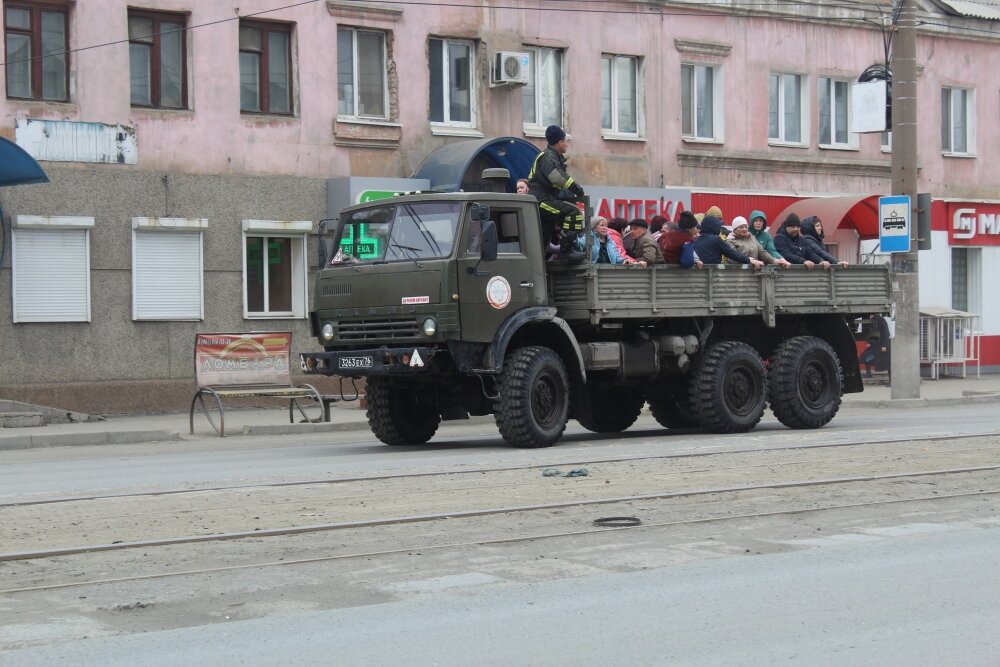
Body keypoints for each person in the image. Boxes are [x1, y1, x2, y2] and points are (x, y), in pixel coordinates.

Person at [528, 125, 585, 262]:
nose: (566, 144)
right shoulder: (548, 157)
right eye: (565, 141)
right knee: (574, 213)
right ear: (560, 142)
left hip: (544, 199)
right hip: (541, 201)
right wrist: (576, 189)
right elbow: (557, 177)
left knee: (545, 235)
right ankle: (567, 250)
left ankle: (538, 262)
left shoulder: (549, 156)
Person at [694, 215, 763, 267]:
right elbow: (732, 253)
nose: (720, 228)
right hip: (714, 275)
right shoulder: (716, 240)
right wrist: (749, 260)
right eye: (718, 226)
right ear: (713, 227)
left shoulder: (696, 240)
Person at [726, 216, 791, 266]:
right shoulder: (730, 241)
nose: (744, 229)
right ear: (735, 229)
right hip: (738, 276)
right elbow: (732, 258)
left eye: (746, 227)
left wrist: (775, 261)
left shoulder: (751, 237)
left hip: (754, 274)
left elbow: (762, 253)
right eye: (741, 227)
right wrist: (750, 260)